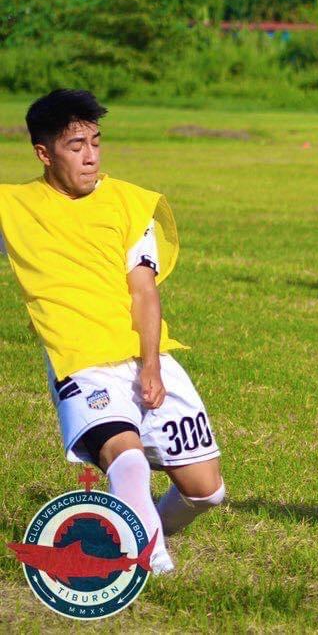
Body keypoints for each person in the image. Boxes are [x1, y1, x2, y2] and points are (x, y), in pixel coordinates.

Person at [0, 89, 226, 575]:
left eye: (96, 142)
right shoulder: (13, 207)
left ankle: (141, 532)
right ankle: (147, 564)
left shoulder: (128, 203)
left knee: (207, 491)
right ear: (44, 153)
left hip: (146, 355)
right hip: (81, 362)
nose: (90, 155)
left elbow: (144, 292)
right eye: (75, 145)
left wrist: (150, 366)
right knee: (127, 460)